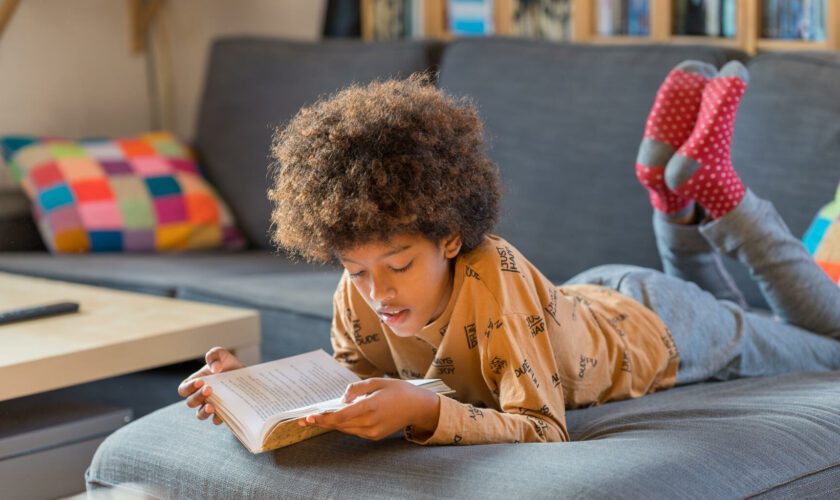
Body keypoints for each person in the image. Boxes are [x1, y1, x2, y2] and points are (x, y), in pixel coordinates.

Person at [177, 62, 840, 445]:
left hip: (663, 328)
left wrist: (428, 411)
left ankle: (716, 192)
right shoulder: (361, 288)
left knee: (830, 345)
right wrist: (250, 386)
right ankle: (676, 197)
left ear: (449, 235)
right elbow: (346, 390)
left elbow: (542, 429)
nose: (377, 293)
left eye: (399, 267)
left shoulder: (494, 281)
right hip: (597, 301)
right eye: (357, 271)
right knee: (738, 313)